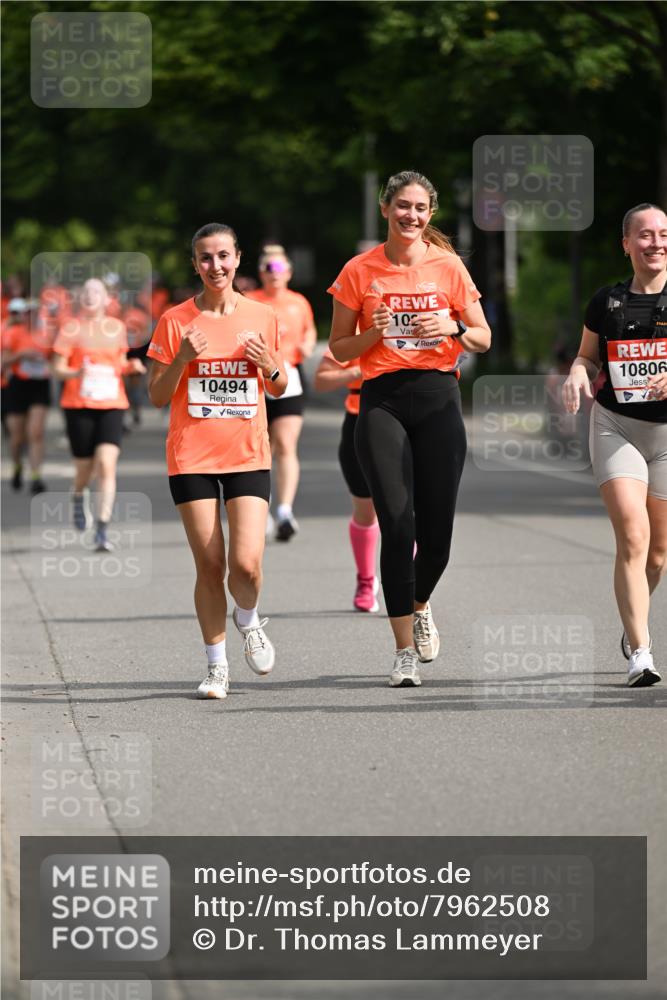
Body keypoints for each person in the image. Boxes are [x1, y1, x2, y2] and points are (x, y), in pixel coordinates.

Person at [328, 170, 491, 687]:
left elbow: (484, 337)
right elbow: (338, 349)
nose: (411, 216)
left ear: (430, 214)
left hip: (440, 397)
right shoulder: (359, 270)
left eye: (420, 208)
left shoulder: (449, 268)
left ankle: (419, 604)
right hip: (383, 402)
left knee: (436, 537)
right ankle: (402, 651)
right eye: (402, 206)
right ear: (385, 208)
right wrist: (370, 333)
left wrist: (455, 328)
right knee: (397, 523)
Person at [147, 223, 287, 700]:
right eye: (205, 258)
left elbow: (279, 384)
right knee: (209, 566)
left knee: (245, 567)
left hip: (247, 452)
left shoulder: (263, 315)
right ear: (195, 264)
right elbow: (156, 396)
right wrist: (183, 357)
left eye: (223, 256)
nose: (216, 266)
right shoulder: (174, 321)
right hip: (192, 457)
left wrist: (268, 361)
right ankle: (216, 664)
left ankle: (247, 618)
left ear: (238, 259)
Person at [563, 202, 667, 688]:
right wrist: (575, 375)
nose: (655, 243)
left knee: (659, 554)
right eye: (644, 235)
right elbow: (586, 358)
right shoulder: (606, 302)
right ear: (626, 244)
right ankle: (641, 652)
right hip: (616, 426)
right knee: (633, 534)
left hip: (666, 436)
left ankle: (633, 623)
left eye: (663, 234)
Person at [52, 278, 145, 551]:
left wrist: (133, 366)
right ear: (80, 299)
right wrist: (75, 372)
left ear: (107, 299)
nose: (91, 296)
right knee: (85, 469)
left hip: (112, 403)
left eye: (97, 292)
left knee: (106, 464)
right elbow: (57, 367)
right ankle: (78, 494)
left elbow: (119, 363)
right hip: (78, 404)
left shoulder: (117, 328)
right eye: (86, 292)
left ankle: (102, 529)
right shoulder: (71, 328)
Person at [246, 245, 317, 540]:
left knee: (286, 444)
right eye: (267, 269)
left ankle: (285, 511)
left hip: (290, 375)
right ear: (260, 273)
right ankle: (260, 510)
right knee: (260, 449)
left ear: (288, 272)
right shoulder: (249, 301)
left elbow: (310, 330)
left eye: (278, 268)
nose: (273, 274)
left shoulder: (299, 302)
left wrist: (308, 345)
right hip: (255, 380)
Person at [314, 349, 380, 612]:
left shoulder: (416, 320)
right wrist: (357, 371)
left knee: (401, 510)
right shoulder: (354, 332)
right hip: (359, 422)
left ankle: (411, 581)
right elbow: (320, 380)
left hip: (405, 420)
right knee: (365, 511)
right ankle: (366, 581)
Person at [1, 298, 52, 493]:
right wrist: (22, 355)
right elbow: (3, 362)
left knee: (36, 433)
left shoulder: (46, 335)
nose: (31, 316)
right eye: (27, 312)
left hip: (40, 384)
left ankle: (36, 476)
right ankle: (17, 466)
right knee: (16, 437)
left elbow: (55, 358)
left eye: (34, 312)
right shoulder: (12, 333)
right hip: (17, 385)